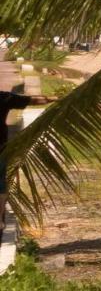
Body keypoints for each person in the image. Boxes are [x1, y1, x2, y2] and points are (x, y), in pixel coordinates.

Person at [1, 91, 56, 226]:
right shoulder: (4, 97)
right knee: (0, 184)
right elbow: (34, 100)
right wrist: (55, 98)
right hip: (0, 148)